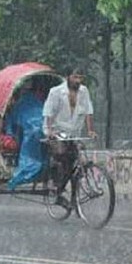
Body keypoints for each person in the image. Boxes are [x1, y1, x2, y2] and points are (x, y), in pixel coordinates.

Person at [42, 66, 97, 207]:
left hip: (73, 132)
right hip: (56, 130)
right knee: (62, 155)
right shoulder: (56, 92)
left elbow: (88, 111)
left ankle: (73, 198)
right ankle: (56, 185)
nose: (78, 80)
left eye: (80, 77)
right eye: (75, 77)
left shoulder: (84, 92)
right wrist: (50, 131)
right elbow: (49, 112)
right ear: (68, 77)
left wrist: (90, 130)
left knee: (75, 164)